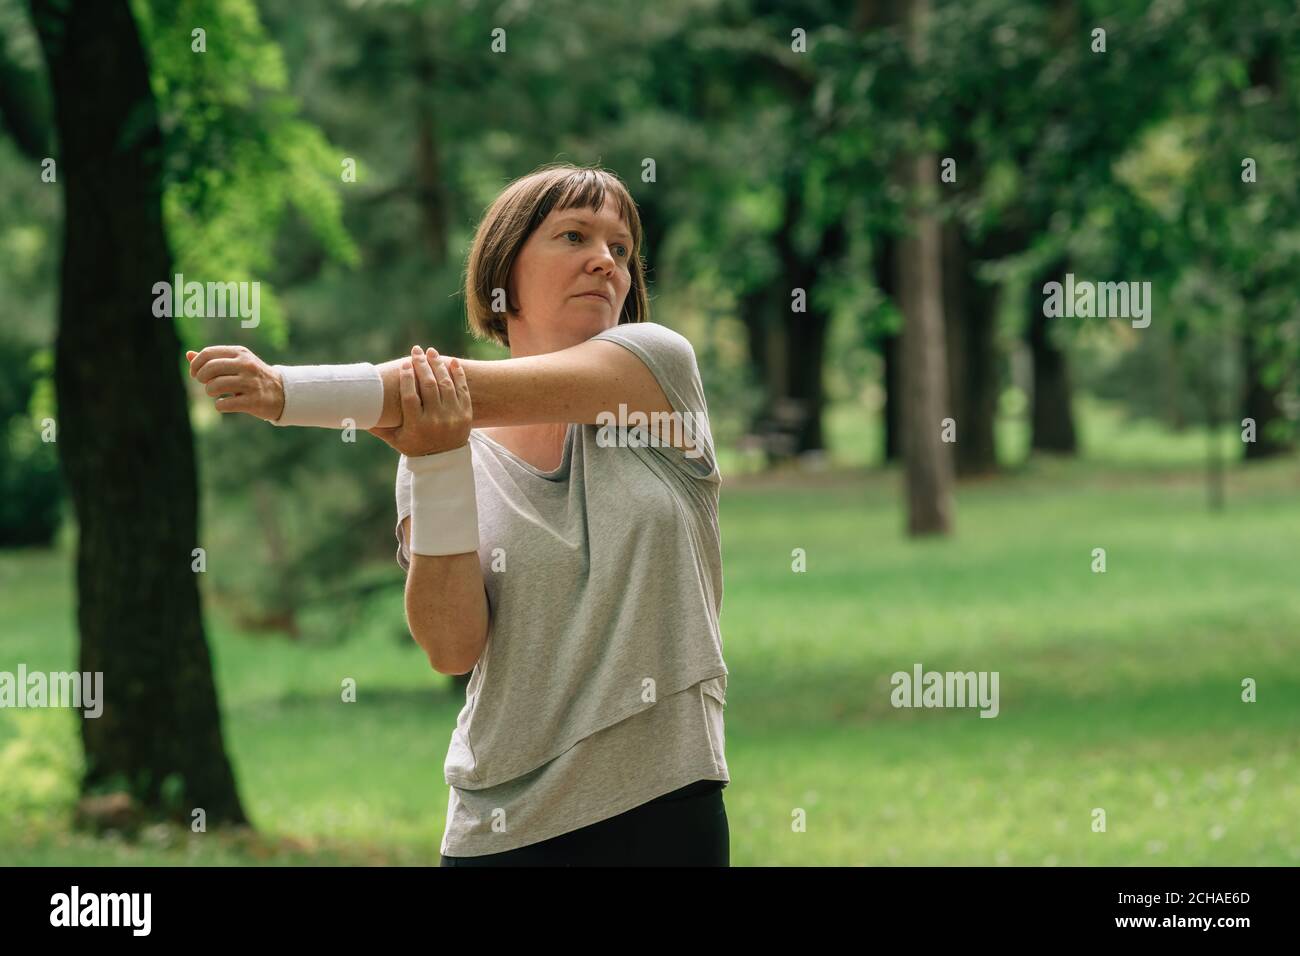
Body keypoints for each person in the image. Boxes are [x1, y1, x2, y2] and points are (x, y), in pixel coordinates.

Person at [186, 162, 731, 866]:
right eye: (574, 236)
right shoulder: (443, 444)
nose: (605, 260)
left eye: (621, 250)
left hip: (663, 806)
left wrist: (283, 389)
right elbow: (452, 647)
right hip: (500, 828)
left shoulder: (658, 373)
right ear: (504, 275)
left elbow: (446, 386)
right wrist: (437, 459)